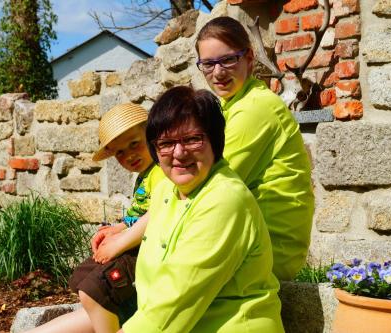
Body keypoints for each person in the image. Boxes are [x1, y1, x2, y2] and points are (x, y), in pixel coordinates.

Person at [120, 86, 284, 332]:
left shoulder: (225, 200)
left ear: (215, 141)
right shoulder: (166, 191)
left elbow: (178, 295)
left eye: (192, 139)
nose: (179, 152)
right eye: (166, 143)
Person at [26, 103, 165, 333]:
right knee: (82, 276)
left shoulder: (160, 172)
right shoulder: (145, 175)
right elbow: (137, 215)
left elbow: (159, 213)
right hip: (131, 241)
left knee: (95, 290)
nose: (129, 155)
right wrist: (117, 229)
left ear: (151, 136)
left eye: (134, 144)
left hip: (143, 248)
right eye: (119, 152)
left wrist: (120, 241)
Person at [195, 16, 315, 281]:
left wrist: (130, 233)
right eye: (208, 64)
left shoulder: (256, 107)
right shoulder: (233, 105)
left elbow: (205, 186)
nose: (218, 72)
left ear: (249, 57)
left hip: (268, 251)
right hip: (248, 239)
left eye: (228, 60)